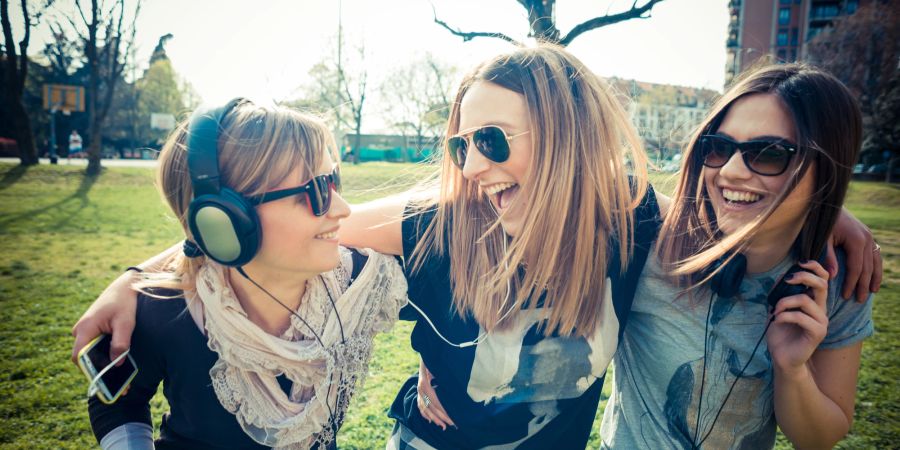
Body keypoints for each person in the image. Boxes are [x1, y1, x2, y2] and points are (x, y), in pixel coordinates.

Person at [73, 46, 881, 449]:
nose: (472, 167)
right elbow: (270, 230)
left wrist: (829, 214)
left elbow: (732, 208)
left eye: (492, 140)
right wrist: (137, 274)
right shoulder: (438, 223)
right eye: (460, 145)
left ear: (564, 138)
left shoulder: (633, 222)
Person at [86, 99, 407, 450]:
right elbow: (116, 400)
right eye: (315, 190)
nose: (343, 209)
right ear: (226, 221)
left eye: (334, 181)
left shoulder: (360, 284)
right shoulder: (167, 308)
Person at [596, 63, 874, 449]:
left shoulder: (837, 277)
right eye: (719, 147)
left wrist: (792, 369)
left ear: (825, 170)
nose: (730, 170)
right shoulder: (647, 236)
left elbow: (819, 438)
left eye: (769, 154)